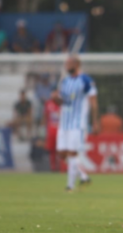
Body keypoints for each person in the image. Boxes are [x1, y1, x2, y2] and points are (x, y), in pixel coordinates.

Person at [54, 56, 99, 192]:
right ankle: (84, 176)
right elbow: (63, 102)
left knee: (72, 153)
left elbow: (93, 101)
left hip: (77, 123)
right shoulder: (65, 81)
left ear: (77, 64)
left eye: (69, 63)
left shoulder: (85, 80)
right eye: (66, 64)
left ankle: (70, 186)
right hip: (64, 122)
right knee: (62, 153)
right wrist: (55, 99)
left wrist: (95, 121)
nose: (66, 66)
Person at [41, 90, 61, 171]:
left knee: (60, 150)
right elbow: (45, 116)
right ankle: (53, 167)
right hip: (51, 130)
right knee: (52, 150)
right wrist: (42, 129)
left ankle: (60, 167)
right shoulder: (48, 103)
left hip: (60, 130)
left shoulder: (62, 104)